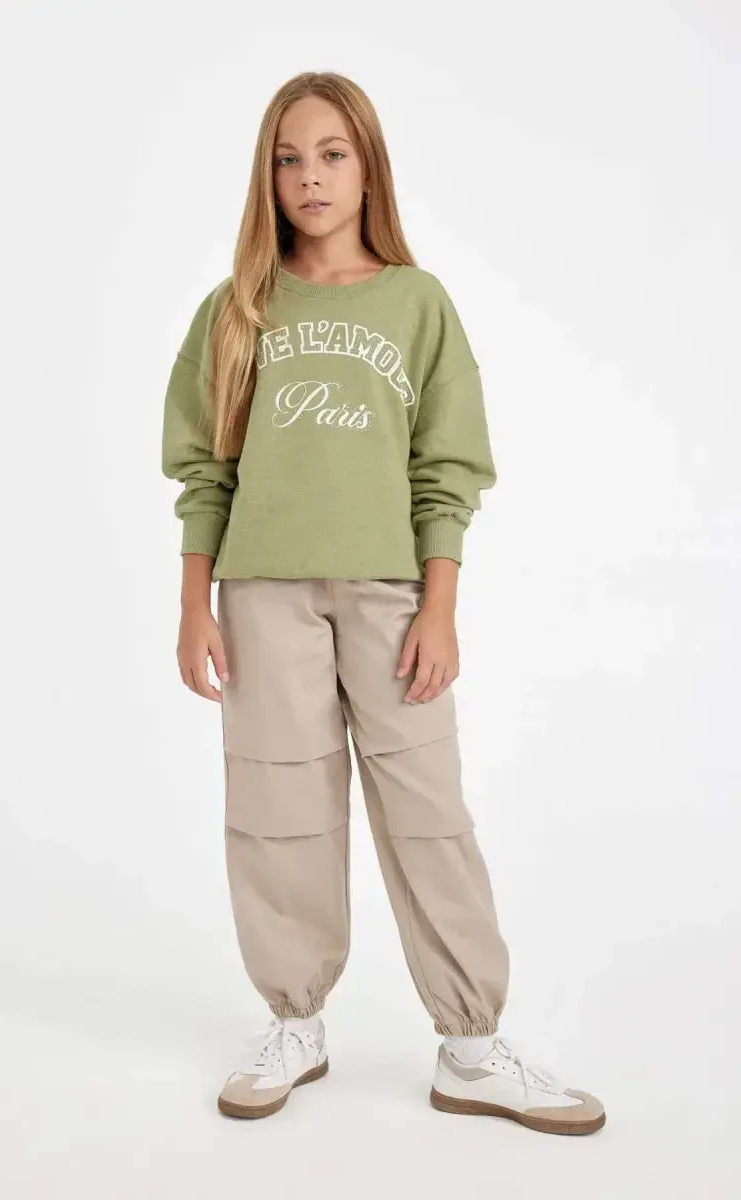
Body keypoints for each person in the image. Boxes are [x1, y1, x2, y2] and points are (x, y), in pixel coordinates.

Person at [161, 70, 605, 1136]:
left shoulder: (417, 303)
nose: (309, 178)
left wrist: (438, 604)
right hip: (261, 595)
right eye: (288, 159)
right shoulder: (236, 310)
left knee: (427, 813)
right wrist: (193, 603)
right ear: (266, 176)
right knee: (277, 814)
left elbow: (444, 467)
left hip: (390, 597)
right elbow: (206, 471)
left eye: (332, 154)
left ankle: (471, 1046)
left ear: (368, 168)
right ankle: (294, 1022)